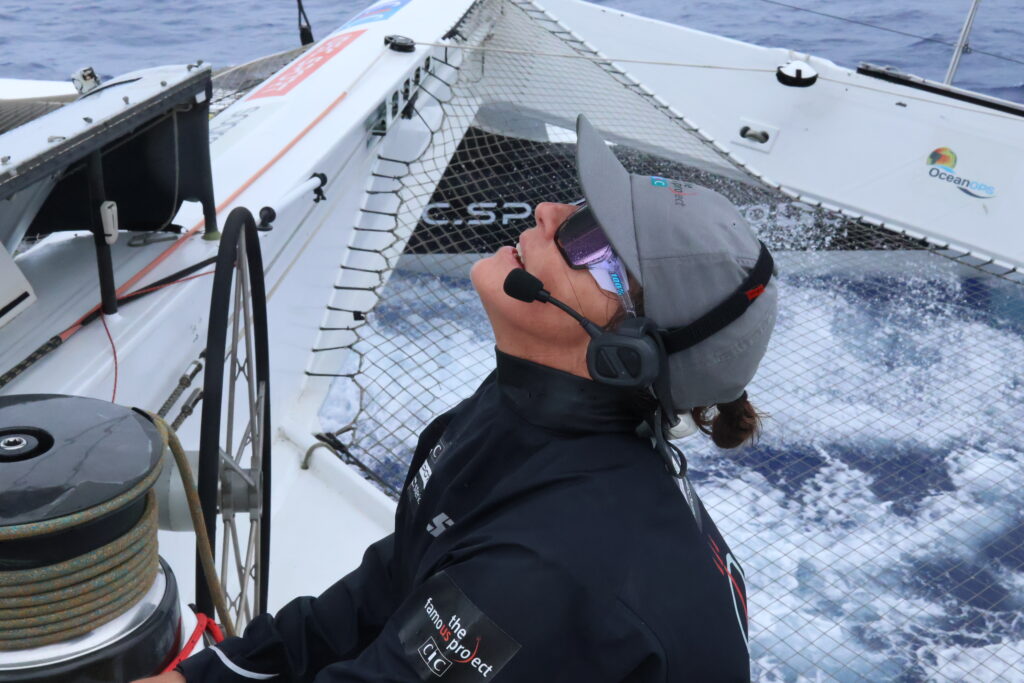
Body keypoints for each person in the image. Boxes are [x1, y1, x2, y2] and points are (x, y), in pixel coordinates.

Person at [138, 114, 777, 682]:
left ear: (625, 352)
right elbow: (393, 581)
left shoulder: (551, 571)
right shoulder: (520, 411)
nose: (550, 212)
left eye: (589, 238)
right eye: (581, 202)